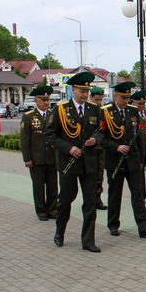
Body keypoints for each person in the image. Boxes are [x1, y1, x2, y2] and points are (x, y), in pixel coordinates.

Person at [44, 71, 102, 253]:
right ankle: (60, 232)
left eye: (87, 91)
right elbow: (50, 134)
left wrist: (96, 140)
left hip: (89, 163)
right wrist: (68, 148)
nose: (85, 95)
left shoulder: (94, 109)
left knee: (90, 202)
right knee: (65, 200)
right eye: (82, 91)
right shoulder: (61, 109)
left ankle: (88, 240)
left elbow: (101, 131)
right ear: (73, 90)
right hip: (69, 163)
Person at [99, 82, 146, 239]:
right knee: (115, 193)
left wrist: (139, 158)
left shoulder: (133, 111)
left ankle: (143, 227)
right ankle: (113, 224)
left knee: (137, 194)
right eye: (123, 97)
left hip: (132, 160)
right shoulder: (105, 112)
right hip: (114, 160)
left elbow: (137, 136)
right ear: (115, 96)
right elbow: (99, 137)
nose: (125, 101)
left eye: (127, 98)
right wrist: (115, 147)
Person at [20, 85, 57, 221]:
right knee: (39, 186)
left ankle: (52, 209)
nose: (46, 103)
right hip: (37, 158)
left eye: (47, 100)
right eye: (43, 100)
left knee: (53, 185)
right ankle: (41, 211)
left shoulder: (53, 115)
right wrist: (27, 159)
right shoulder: (29, 116)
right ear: (36, 101)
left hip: (52, 157)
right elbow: (25, 139)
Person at [88, 86, 108, 210]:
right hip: (89, 149)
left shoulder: (103, 112)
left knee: (100, 173)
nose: (99, 102)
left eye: (100, 100)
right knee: (90, 175)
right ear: (91, 98)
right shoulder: (88, 111)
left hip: (101, 148)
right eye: (96, 100)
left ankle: (97, 197)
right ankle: (90, 199)